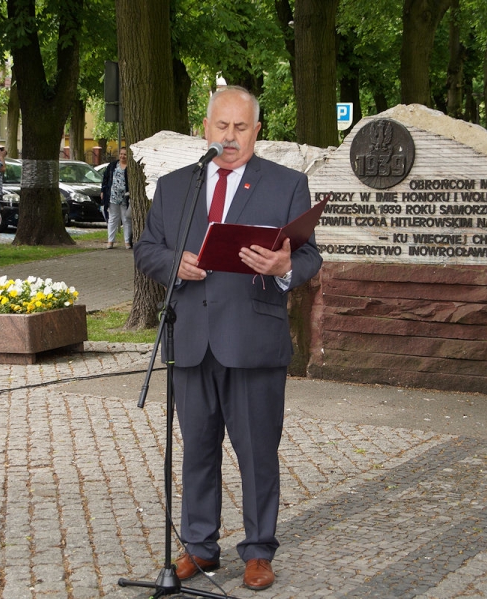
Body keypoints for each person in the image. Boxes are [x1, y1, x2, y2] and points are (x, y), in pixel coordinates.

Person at [134, 86, 323, 592]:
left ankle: (259, 551)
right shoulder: (176, 185)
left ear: (257, 131)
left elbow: (309, 255)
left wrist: (284, 267)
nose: (231, 136)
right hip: (190, 339)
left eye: (241, 127)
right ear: (206, 128)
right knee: (197, 449)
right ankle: (199, 546)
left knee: (257, 452)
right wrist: (173, 263)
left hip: (252, 340)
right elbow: (146, 249)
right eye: (223, 126)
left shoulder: (286, 184)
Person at [101, 147, 131, 249]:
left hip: (125, 197)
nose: (122, 156)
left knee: (126, 218)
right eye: (121, 154)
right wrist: (103, 191)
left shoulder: (130, 167)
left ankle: (127, 241)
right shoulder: (113, 165)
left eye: (125, 154)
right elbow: (105, 178)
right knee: (113, 218)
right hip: (113, 195)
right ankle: (110, 241)